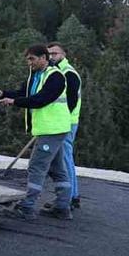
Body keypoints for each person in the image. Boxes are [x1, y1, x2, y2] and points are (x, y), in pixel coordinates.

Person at [0, 44, 74, 220]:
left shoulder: (56, 77)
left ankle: (27, 207)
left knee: (36, 166)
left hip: (52, 129)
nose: (29, 63)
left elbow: (40, 100)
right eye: (28, 59)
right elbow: (23, 93)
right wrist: (2, 94)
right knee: (57, 168)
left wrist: (14, 102)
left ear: (44, 58)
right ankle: (62, 207)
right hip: (51, 129)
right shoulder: (36, 76)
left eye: (32, 59)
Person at [47, 41, 83, 209]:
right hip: (62, 123)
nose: (52, 57)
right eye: (50, 54)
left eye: (55, 54)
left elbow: (71, 101)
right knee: (65, 158)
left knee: (65, 159)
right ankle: (72, 195)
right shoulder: (58, 72)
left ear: (63, 55)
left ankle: (70, 197)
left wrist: (59, 121)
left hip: (67, 123)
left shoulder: (68, 73)